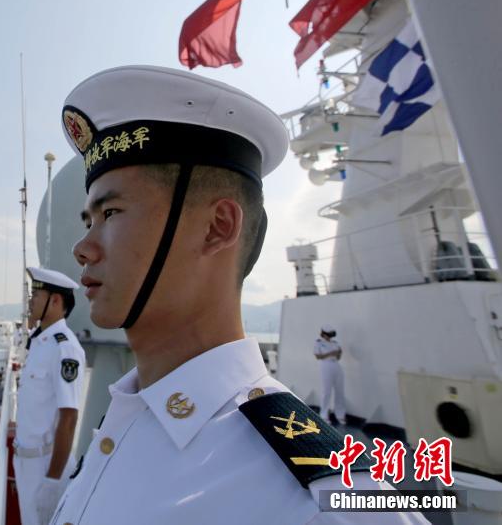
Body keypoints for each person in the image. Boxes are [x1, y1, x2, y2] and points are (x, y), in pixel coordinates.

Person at [48, 65, 427, 524]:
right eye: (90, 220)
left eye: (111, 211)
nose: (82, 248)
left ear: (217, 227)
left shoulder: (323, 504)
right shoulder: (126, 415)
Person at [14, 266, 85, 525]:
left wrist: (52, 482)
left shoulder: (64, 348)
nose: (30, 300)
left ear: (55, 301)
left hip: (45, 465)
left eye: (36, 294)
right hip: (25, 460)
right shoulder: (40, 340)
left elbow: (68, 419)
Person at [315, 326, 347, 424]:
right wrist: (331, 353)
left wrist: (339, 353)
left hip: (336, 365)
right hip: (325, 365)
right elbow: (317, 356)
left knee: (339, 390)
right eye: (327, 334)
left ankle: (340, 414)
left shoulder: (335, 343)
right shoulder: (319, 343)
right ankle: (324, 415)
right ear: (323, 334)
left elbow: (338, 357)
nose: (329, 337)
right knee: (326, 390)